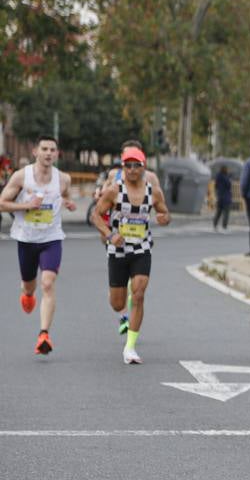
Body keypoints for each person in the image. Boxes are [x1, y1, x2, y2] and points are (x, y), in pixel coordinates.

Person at [93, 146, 171, 364]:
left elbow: (164, 211)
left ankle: (130, 348)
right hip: (118, 249)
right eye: (128, 165)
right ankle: (120, 303)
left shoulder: (153, 192)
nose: (132, 169)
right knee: (117, 304)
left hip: (142, 249)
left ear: (143, 167)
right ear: (123, 167)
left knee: (138, 294)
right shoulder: (114, 191)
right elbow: (96, 215)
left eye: (137, 165)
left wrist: (165, 217)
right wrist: (109, 235)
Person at [0, 134, 76, 354]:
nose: (49, 153)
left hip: (51, 238)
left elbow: (65, 195)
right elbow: (2, 203)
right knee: (30, 285)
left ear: (57, 153)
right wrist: (26, 205)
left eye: (52, 150)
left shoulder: (63, 179)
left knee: (48, 283)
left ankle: (44, 335)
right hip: (26, 238)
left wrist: (68, 203)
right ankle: (27, 294)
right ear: (35, 152)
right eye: (44, 149)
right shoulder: (21, 177)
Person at [213, 164, 233, 232]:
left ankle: (215, 224)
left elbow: (216, 186)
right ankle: (224, 226)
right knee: (226, 213)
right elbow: (229, 185)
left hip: (220, 196)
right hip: (226, 197)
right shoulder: (226, 177)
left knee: (218, 212)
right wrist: (229, 178)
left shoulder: (218, 176)